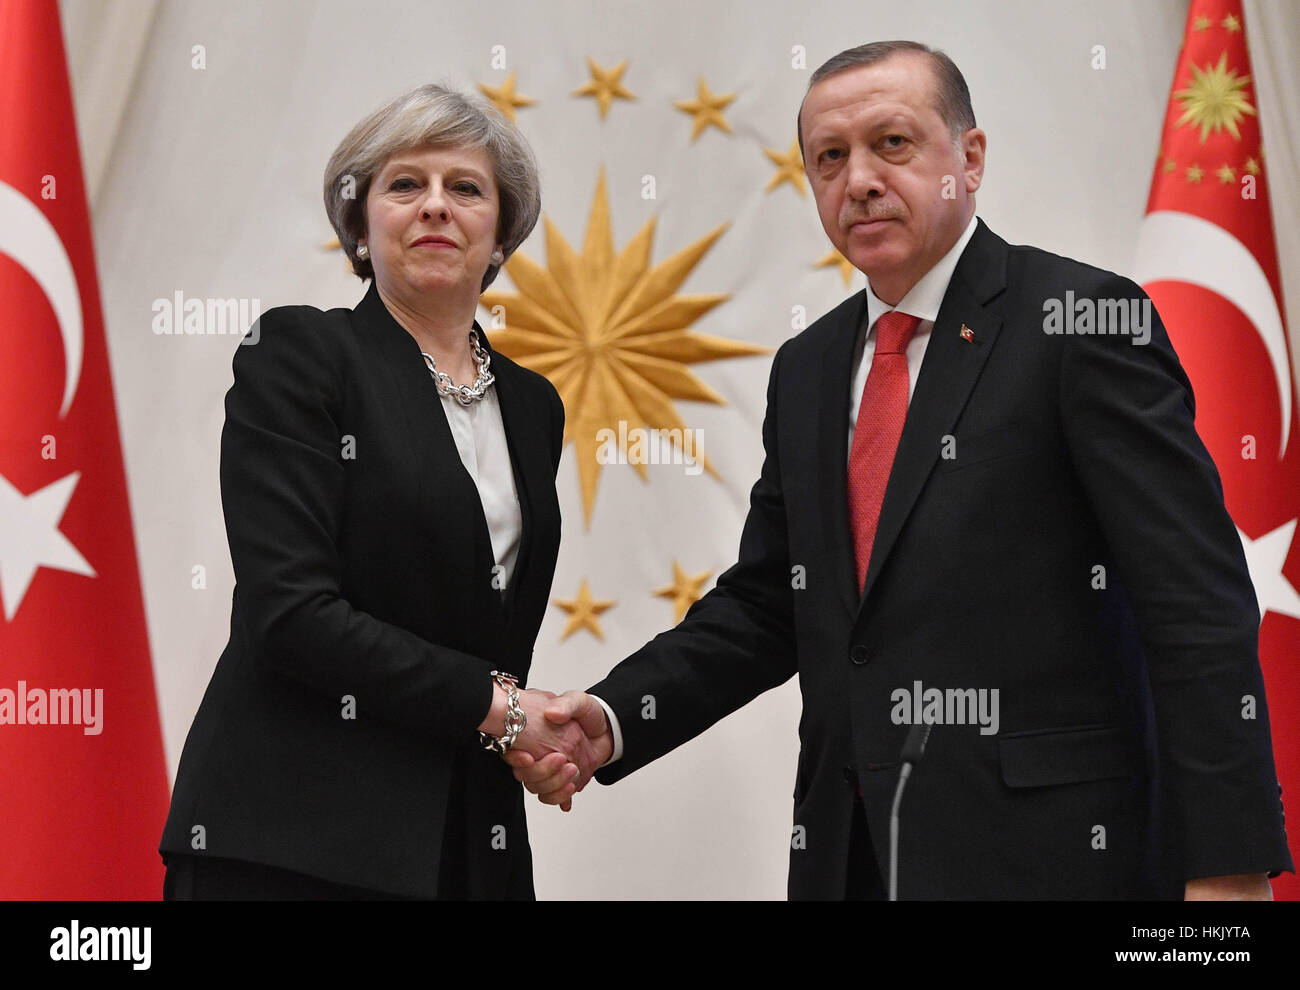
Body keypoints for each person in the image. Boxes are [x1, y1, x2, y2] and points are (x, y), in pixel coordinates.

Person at [506, 41, 1294, 899]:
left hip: (1057, 859)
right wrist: (614, 719)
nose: (860, 181)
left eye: (893, 144)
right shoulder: (806, 367)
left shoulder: (1081, 322)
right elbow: (771, 601)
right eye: (830, 159)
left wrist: (1227, 862)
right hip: (851, 858)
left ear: (971, 157)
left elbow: (1195, 602)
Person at [158, 83, 603, 899]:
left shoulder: (534, 404)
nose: (436, 206)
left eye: (465, 188)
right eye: (405, 185)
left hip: (470, 845)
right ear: (361, 226)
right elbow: (291, 613)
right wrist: (506, 711)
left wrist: (530, 734)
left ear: (501, 233)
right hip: (291, 840)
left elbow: (485, 628)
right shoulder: (301, 355)